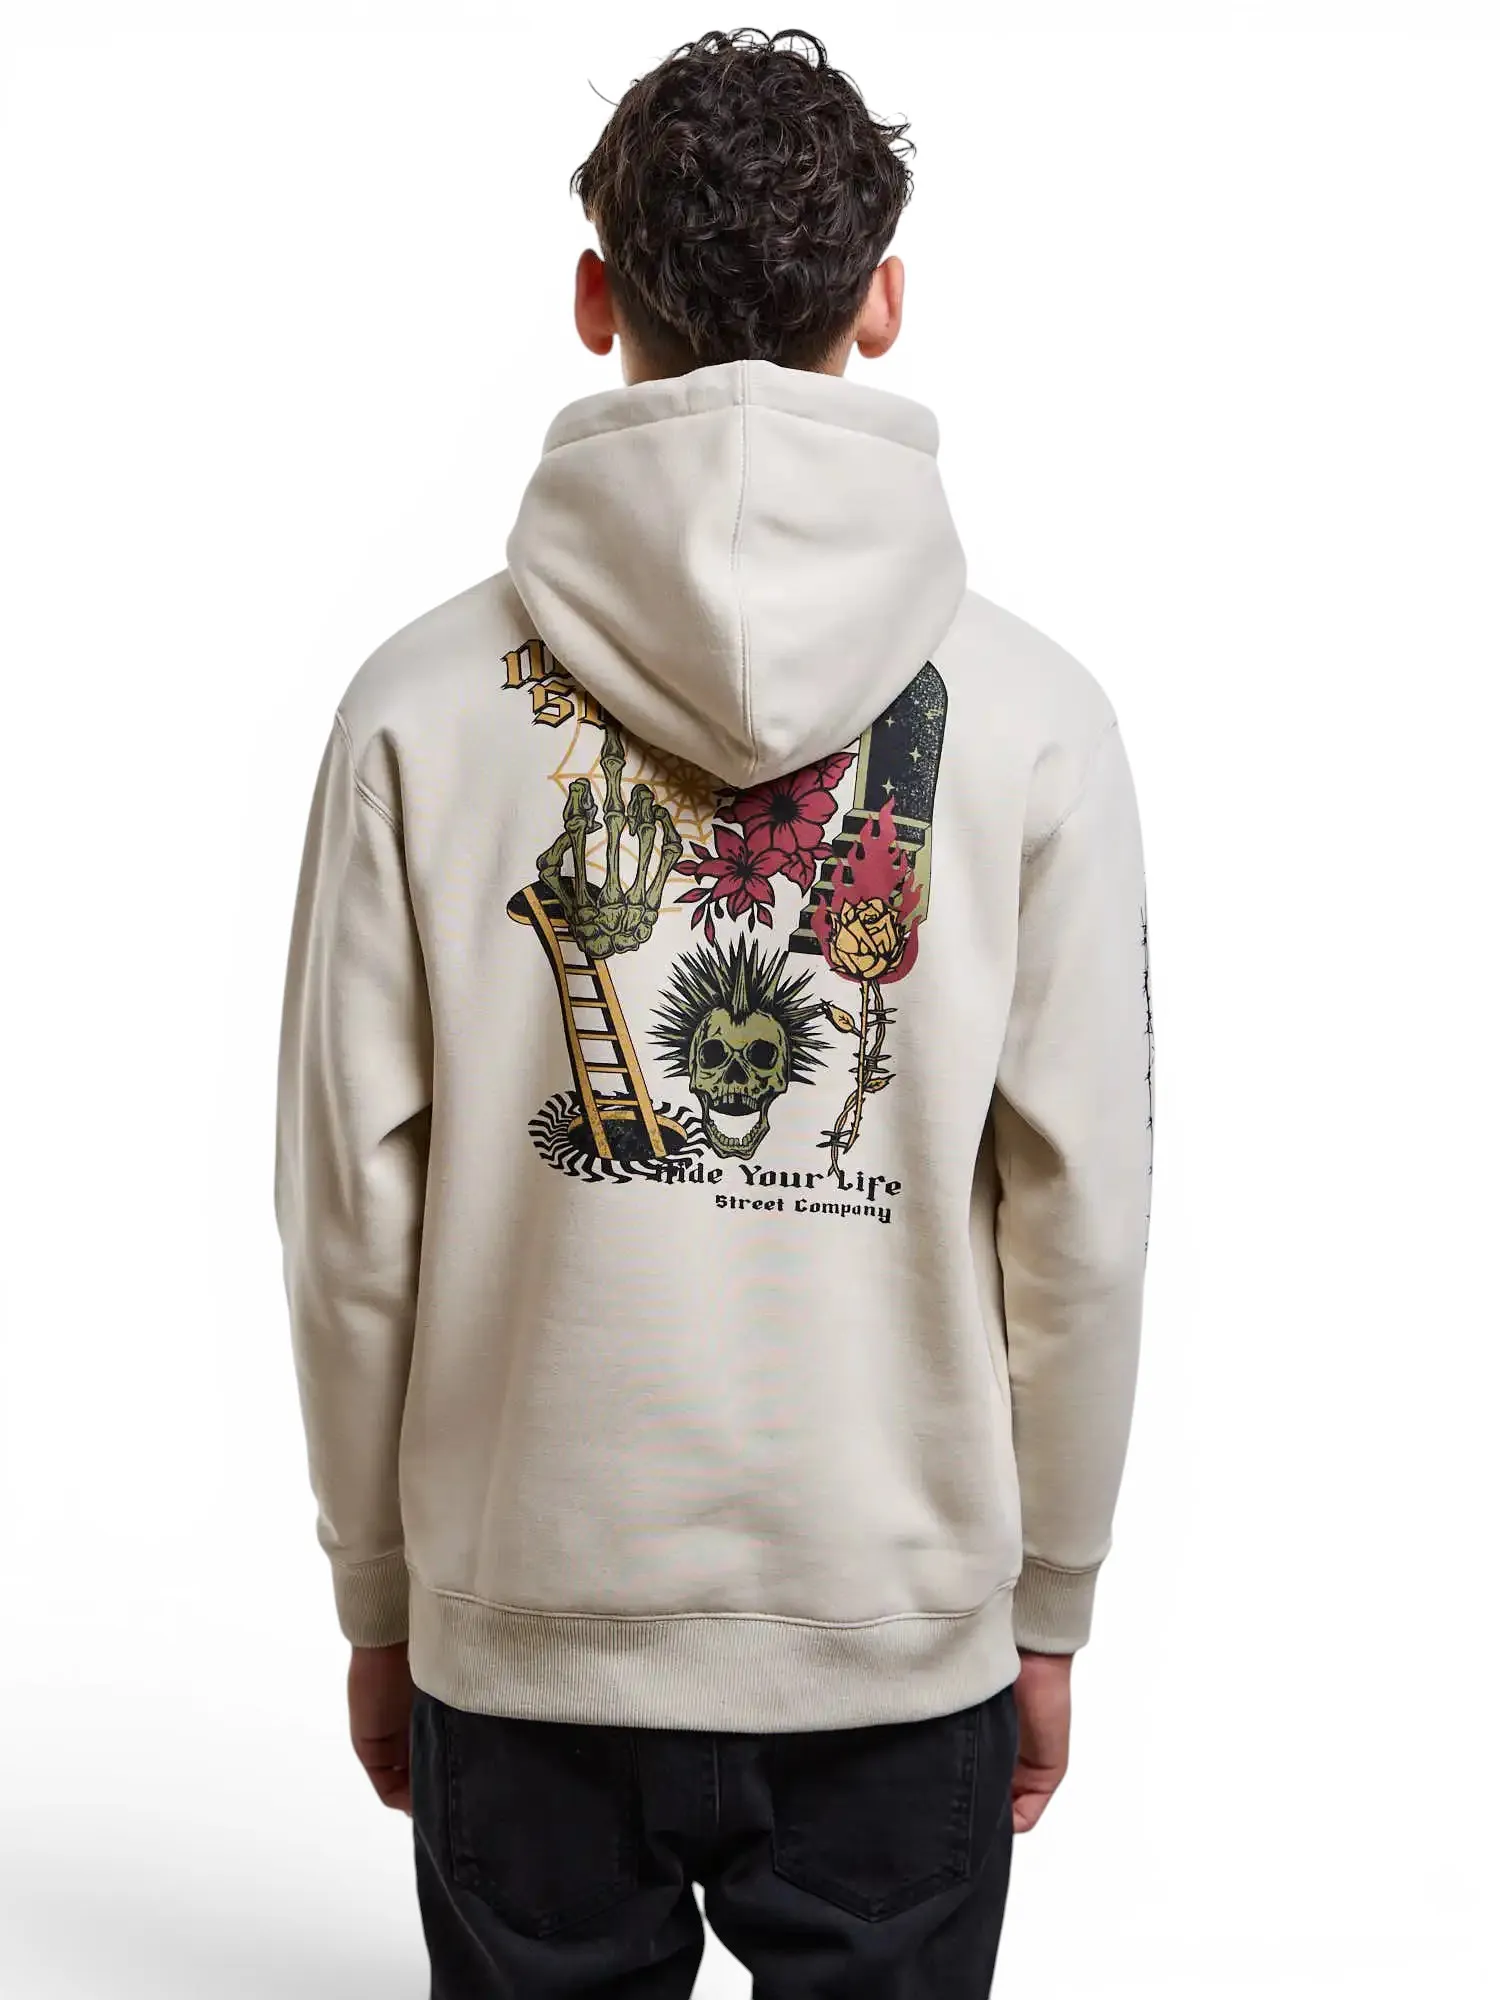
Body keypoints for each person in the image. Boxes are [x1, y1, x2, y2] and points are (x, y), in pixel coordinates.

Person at [274, 27, 1154, 1998]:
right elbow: (1083, 1218)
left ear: (597, 298)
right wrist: (1049, 1602)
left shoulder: (412, 710)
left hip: (528, 1623)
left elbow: (346, 1217)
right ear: (883, 303)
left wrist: (382, 1594)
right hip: (894, 1635)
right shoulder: (1041, 722)